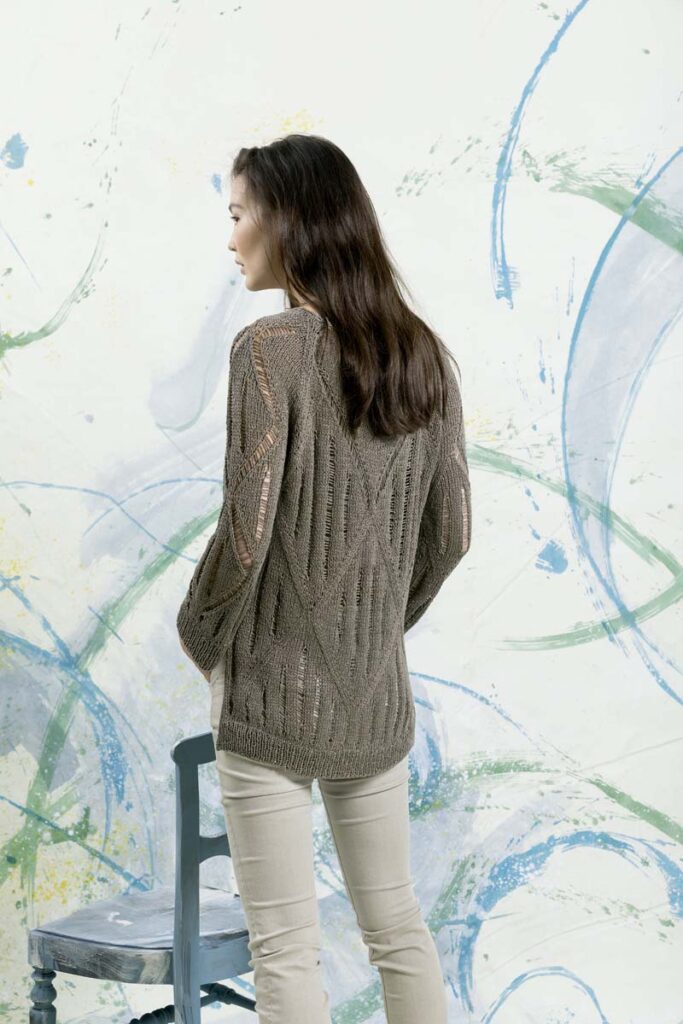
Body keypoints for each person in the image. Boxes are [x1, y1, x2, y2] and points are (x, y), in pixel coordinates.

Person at [177, 133, 472, 1023]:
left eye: (238, 214)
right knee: (397, 930)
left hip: (269, 697)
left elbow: (247, 532)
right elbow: (451, 536)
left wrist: (201, 637)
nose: (230, 238)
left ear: (288, 221)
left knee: (284, 948)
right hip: (374, 698)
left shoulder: (268, 350)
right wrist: (371, 629)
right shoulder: (423, 355)